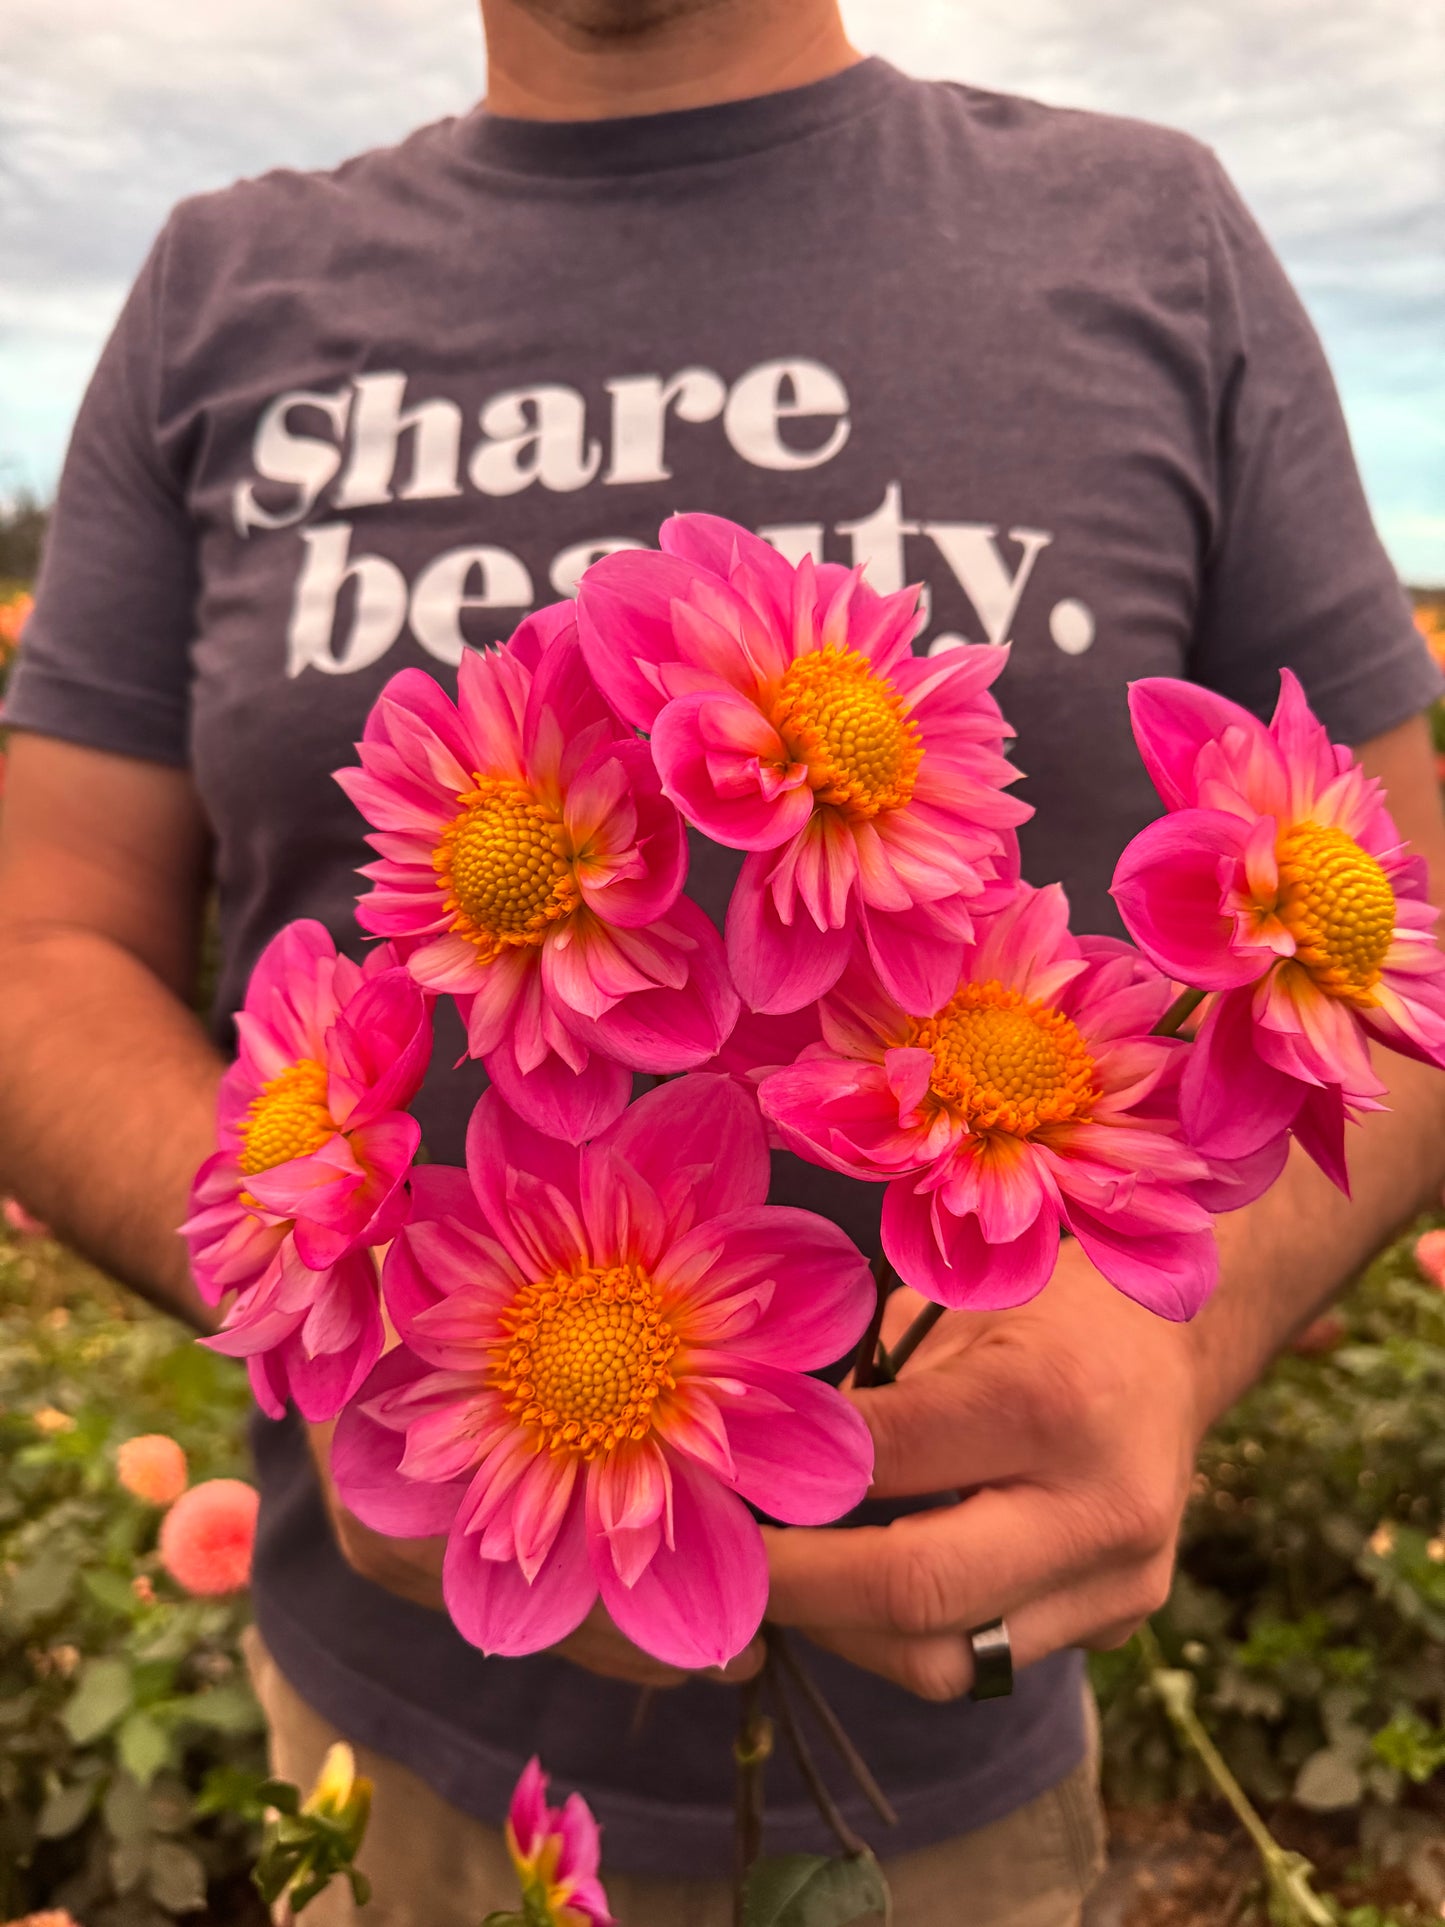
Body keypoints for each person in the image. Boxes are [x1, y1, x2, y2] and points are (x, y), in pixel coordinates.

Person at [3, 2, 1443, 1922]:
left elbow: (1403, 928)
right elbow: (40, 946)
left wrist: (1180, 1346)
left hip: (946, 1790)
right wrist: (301, 1263)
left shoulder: (1151, 231)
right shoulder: (213, 288)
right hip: (408, 1751)